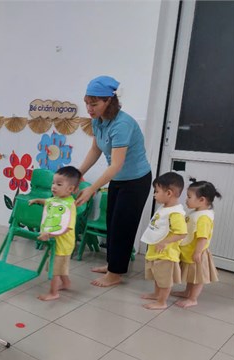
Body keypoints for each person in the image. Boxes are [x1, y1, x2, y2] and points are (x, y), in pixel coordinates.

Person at [75, 76, 152, 287]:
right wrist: (77, 173)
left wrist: (91, 188)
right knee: (112, 224)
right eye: (87, 103)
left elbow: (116, 164)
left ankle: (115, 273)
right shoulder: (97, 121)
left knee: (123, 226)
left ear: (109, 101)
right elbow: (95, 149)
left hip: (135, 181)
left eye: (94, 104)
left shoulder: (122, 124)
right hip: (117, 179)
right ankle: (112, 264)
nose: (89, 109)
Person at [28, 166, 81, 300]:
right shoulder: (57, 199)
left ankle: (53, 293)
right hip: (55, 241)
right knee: (59, 266)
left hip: (63, 244)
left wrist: (49, 235)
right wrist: (37, 200)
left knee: (55, 269)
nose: (54, 187)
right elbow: (48, 202)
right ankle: (66, 283)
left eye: (59, 184)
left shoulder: (70, 206)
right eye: (53, 183)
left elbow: (67, 227)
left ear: (70, 189)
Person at [140, 172, 187, 310]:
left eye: (156, 191)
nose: (154, 194)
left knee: (165, 280)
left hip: (166, 254)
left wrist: (165, 242)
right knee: (158, 276)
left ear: (169, 193)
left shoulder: (175, 213)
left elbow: (182, 233)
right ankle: (157, 294)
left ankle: (162, 302)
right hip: (158, 251)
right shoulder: (165, 207)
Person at [172, 178, 221, 308]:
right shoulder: (196, 213)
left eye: (189, 197)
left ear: (202, 200)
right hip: (190, 251)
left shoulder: (203, 217)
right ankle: (187, 292)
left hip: (197, 253)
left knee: (197, 278)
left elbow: (202, 237)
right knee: (191, 276)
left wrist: (198, 252)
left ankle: (193, 299)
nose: (186, 200)